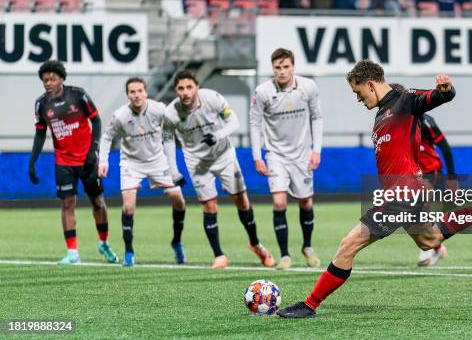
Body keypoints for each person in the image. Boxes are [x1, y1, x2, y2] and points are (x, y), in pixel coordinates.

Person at [278, 60, 472, 318]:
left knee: (348, 244)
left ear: (370, 84)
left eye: (357, 92)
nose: (358, 99)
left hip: (403, 194)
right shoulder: (381, 114)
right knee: (431, 240)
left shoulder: (404, 100)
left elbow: (437, 97)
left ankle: (310, 304)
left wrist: (446, 90)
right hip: (405, 194)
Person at [163, 70, 274, 268]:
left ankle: (256, 244)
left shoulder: (212, 98)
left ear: (197, 87)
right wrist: (173, 171)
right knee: (209, 205)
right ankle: (219, 255)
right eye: (181, 88)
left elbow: (234, 122)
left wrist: (218, 135)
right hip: (197, 162)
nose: (185, 92)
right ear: (176, 90)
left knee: (242, 201)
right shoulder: (171, 113)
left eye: (189, 87)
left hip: (224, 155)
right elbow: (168, 140)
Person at [29, 60, 117, 265]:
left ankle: (103, 242)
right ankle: (72, 252)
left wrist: (93, 150)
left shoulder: (78, 95)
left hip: (87, 159)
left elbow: (96, 120)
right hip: (63, 161)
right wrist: (32, 162)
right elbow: (40, 134)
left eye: (52, 78)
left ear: (62, 78)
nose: (48, 83)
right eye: (45, 80)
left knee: (97, 201)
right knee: (67, 203)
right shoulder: (41, 104)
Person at [98, 78, 187, 267]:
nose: (136, 95)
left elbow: (175, 126)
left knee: (179, 202)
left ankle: (176, 242)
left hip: (157, 161)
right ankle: (129, 252)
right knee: (128, 207)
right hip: (131, 163)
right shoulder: (120, 115)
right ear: (128, 95)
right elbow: (106, 137)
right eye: (132, 92)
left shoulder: (159, 109)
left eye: (140, 91)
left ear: (146, 92)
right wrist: (103, 162)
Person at [249, 48, 324, 270]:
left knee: (305, 202)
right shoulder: (262, 91)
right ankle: (284, 255)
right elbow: (254, 123)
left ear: (293, 66)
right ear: (272, 69)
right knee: (279, 202)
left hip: (302, 155)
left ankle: (307, 247)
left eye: (286, 67)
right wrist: (257, 156)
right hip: (276, 155)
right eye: (277, 68)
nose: (282, 72)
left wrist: (316, 150)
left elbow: (317, 117)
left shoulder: (308, 87)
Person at [389, 83, 457, 267]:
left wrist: (452, 177)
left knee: (422, 202)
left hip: (430, 171)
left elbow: (445, 148)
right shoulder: (391, 122)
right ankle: (435, 247)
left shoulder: (425, 120)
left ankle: (428, 248)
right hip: (412, 174)